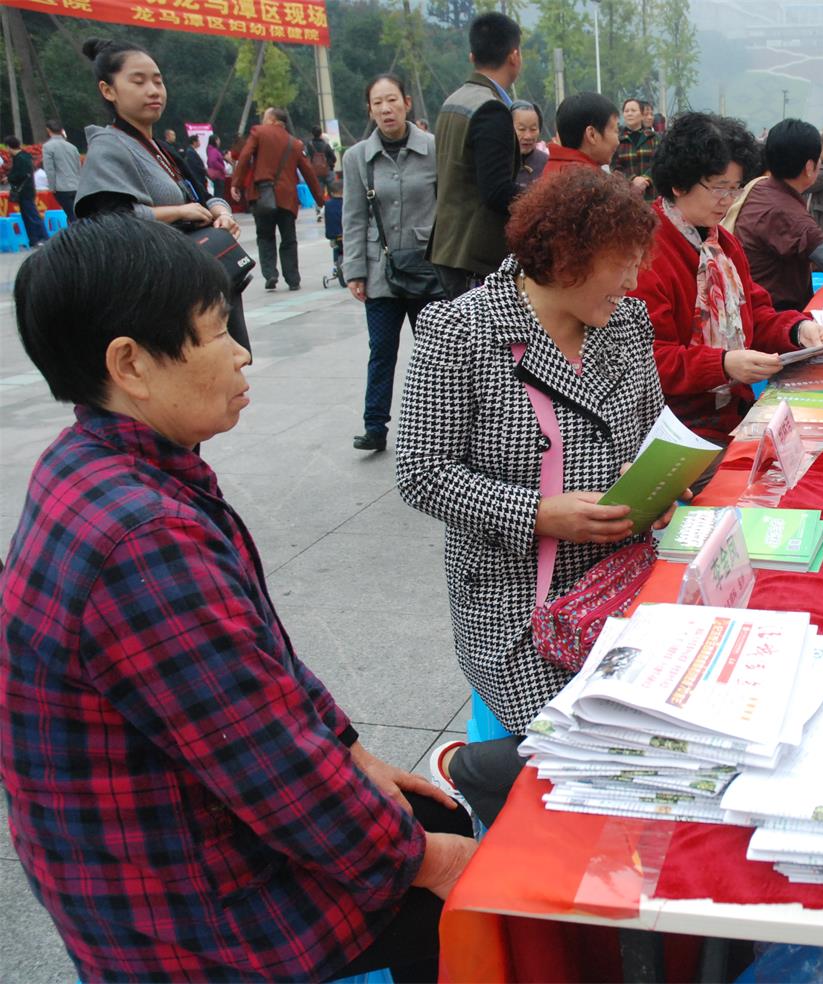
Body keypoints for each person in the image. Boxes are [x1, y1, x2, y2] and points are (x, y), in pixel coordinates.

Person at [1, 213, 479, 982]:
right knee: (459, 884)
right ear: (130, 363)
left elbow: (259, 669)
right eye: (217, 331)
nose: (242, 353)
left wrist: (353, 752)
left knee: (429, 812)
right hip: (182, 905)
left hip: (160, 839)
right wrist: (431, 862)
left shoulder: (95, 460)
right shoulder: (143, 538)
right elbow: (269, 764)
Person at [395, 169, 667, 822]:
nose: (633, 283)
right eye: (622, 265)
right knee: (594, 748)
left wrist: (662, 484)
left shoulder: (626, 323)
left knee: (670, 722)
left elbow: (652, 429)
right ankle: (474, 772)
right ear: (568, 257)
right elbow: (420, 472)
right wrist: (538, 514)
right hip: (516, 597)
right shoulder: (461, 330)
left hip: (622, 572)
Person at [631, 113, 823, 443]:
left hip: (731, 415)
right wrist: (723, 365)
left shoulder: (720, 243)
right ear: (679, 184)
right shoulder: (645, 254)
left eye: (735, 189)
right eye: (719, 188)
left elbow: (755, 314)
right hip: (676, 430)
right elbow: (648, 361)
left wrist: (797, 330)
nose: (727, 201)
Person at [74, 38, 249, 350]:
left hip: (197, 280)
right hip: (160, 294)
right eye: (138, 81)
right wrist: (178, 212)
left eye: (157, 81)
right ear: (108, 90)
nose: (153, 90)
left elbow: (205, 196)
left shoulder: (161, 149)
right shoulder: (108, 147)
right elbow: (108, 220)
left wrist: (221, 213)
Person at [342, 73, 439, 454]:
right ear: (370, 110)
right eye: (378, 103)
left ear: (407, 103)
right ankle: (374, 425)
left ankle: (436, 426)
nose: (386, 109)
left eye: (392, 100)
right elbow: (353, 217)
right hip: (380, 271)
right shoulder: (356, 157)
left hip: (427, 268)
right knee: (381, 349)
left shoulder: (433, 148)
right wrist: (354, 270)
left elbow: (448, 207)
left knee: (434, 352)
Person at [427, 11, 524, 300]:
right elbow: (496, 191)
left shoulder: (453, 100)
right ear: (514, 56)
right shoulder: (491, 109)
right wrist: (545, 200)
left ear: (472, 56)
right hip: (474, 257)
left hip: (447, 247)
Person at [728, 118, 823, 311]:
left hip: (745, 305)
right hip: (774, 316)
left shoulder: (760, 187)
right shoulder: (788, 214)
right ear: (809, 167)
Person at [231, 107, 324, 291]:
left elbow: (245, 156)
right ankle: (293, 279)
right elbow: (308, 172)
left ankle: (270, 274)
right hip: (287, 198)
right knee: (289, 238)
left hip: (262, 195)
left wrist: (237, 183)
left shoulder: (259, 132)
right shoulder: (294, 143)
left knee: (265, 236)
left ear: (272, 120)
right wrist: (320, 200)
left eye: (265, 118)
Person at [544, 91, 620, 177]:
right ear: (592, 135)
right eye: (616, 131)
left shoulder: (551, 169)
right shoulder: (588, 180)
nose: (618, 142)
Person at [612, 95, 659, 200]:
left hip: (651, 195)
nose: (629, 113)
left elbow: (659, 162)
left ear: (642, 115)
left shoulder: (653, 137)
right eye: (626, 111)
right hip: (626, 195)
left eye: (633, 110)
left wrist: (645, 179)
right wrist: (632, 180)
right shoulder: (617, 139)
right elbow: (614, 166)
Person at [4, 136, 47, 245]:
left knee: (32, 216)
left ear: (9, 147)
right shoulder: (24, 156)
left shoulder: (21, 158)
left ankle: (41, 238)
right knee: (28, 216)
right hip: (26, 191)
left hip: (25, 191)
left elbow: (21, 174)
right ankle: (34, 239)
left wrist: (9, 178)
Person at [41, 120, 81, 222]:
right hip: (76, 186)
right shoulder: (72, 147)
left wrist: (52, 187)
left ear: (48, 130)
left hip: (61, 187)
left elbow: (49, 169)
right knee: (76, 214)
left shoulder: (47, 146)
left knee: (72, 216)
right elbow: (78, 167)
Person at [510, 99, 548, 188]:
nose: (528, 136)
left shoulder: (546, 163)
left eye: (533, 129)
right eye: (521, 129)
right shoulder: (499, 163)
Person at [204, 133, 231, 200]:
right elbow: (213, 161)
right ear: (215, 141)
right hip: (218, 175)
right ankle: (218, 204)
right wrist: (222, 168)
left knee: (218, 191)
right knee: (219, 192)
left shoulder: (210, 150)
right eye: (218, 140)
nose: (219, 142)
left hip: (217, 175)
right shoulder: (213, 151)